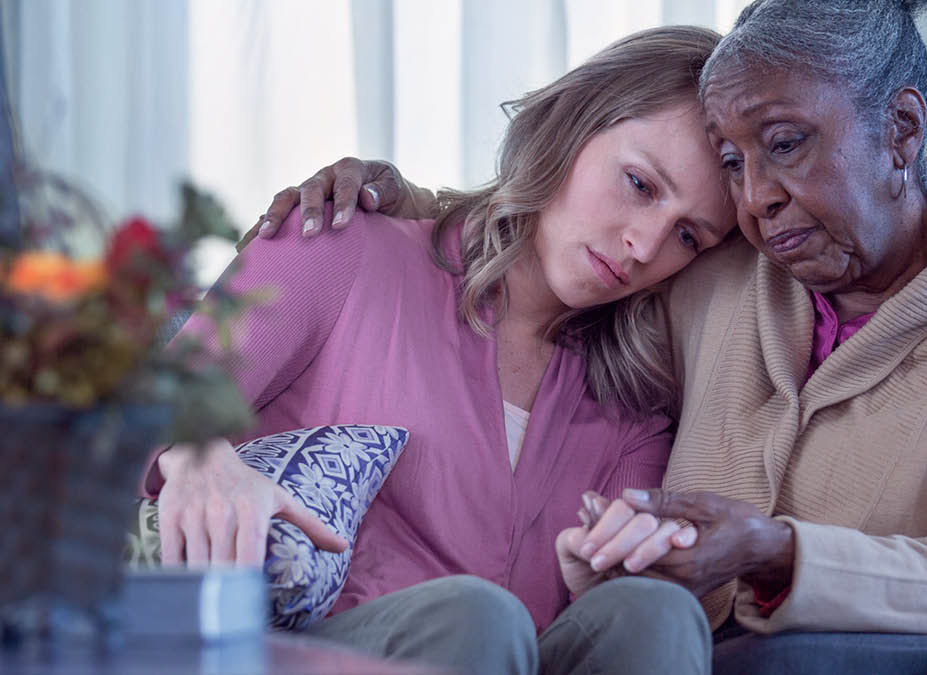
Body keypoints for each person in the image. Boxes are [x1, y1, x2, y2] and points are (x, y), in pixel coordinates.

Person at [271, 1, 927, 673]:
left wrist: (774, 551)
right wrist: (391, 199)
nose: (754, 198)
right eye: (732, 160)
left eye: (785, 144)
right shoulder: (720, 268)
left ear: (901, 130)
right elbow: (562, 239)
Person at [147, 25, 738, 675]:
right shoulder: (340, 247)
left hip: (513, 655)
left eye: (688, 236)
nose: (645, 246)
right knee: (476, 615)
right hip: (292, 649)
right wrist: (195, 452)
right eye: (640, 184)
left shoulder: (635, 411)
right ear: (573, 124)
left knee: (657, 612)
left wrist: (593, 584)